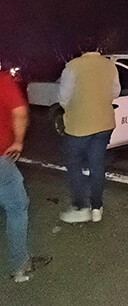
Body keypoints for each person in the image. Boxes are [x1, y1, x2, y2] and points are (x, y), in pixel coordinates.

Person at [58, 37, 120, 223]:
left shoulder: (73, 66)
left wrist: (71, 106)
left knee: (74, 163)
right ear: (98, 47)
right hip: (104, 123)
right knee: (97, 164)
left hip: (80, 124)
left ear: (80, 48)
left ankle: (80, 206)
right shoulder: (110, 65)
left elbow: (63, 96)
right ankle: (96, 208)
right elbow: (115, 92)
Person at [0, 69, 32, 281]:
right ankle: (19, 263)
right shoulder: (2, 82)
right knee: (17, 206)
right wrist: (18, 142)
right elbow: (19, 111)